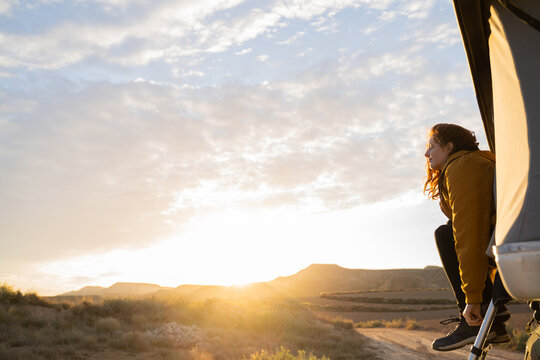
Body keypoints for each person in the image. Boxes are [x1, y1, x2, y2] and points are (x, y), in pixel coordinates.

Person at [424, 123, 510, 351]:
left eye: (432, 146)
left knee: (446, 235)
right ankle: (495, 319)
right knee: (447, 231)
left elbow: (469, 235)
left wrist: (472, 298)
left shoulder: (462, 166)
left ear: (449, 147)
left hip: (506, 241)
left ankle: (476, 321)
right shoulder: (471, 162)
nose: (426, 153)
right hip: (506, 237)